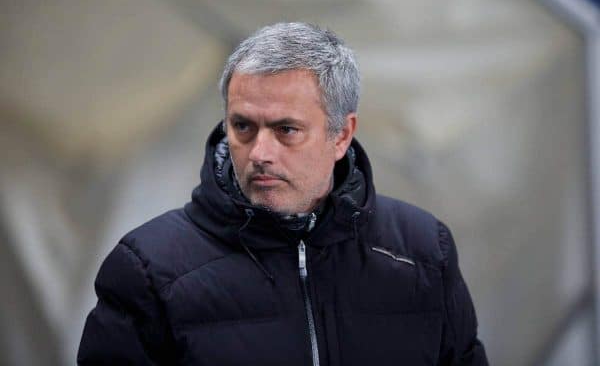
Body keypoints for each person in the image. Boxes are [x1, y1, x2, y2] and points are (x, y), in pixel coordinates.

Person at [77, 22, 488, 365]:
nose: (260, 153)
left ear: (342, 135)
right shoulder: (149, 268)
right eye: (243, 127)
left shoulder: (421, 251)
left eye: (286, 130)